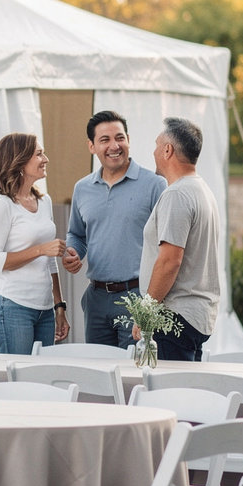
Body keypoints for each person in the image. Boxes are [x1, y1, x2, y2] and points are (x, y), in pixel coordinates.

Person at [62, 110, 166, 347]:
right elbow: (77, 234)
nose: (114, 146)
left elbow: (168, 246)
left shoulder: (155, 185)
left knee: (135, 372)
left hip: (137, 296)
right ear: (92, 146)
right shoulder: (82, 188)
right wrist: (73, 251)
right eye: (104, 140)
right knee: (100, 372)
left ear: (128, 139)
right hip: (96, 299)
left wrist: (152, 301)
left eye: (119, 138)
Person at [137, 117, 221, 361]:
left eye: (156, 145)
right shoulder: (202, 190)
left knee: (168, 395)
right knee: (187, 393)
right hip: (196, 318)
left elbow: (169, 261)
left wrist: (146, 313)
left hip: (174, 318)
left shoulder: (177, 195)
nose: (153, 152)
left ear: (167, 150)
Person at [0, 133, 70, 354]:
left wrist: (59, 306)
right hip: (12, 306)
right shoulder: (2, 204)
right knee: (18, 380)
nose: (46, 159)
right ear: (19, 161)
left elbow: (50, 262)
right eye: (39, 154)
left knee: (41, 379)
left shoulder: (44, 201)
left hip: (45, 309)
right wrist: (40, 250)